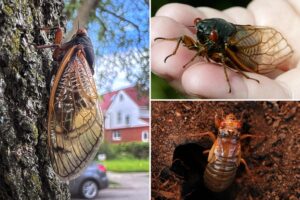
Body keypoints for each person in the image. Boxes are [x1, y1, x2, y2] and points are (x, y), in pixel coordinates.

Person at [151, 0, 300, 99]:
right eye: (197, 24)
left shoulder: (223, 42)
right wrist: (172, 47)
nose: (200, 33)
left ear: (215, 36)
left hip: (238, 47)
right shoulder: (204, 35)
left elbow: (222, 56)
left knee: (224, 57)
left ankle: (246, 76)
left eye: (211, 35)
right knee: (181, 37)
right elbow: (190, 41)